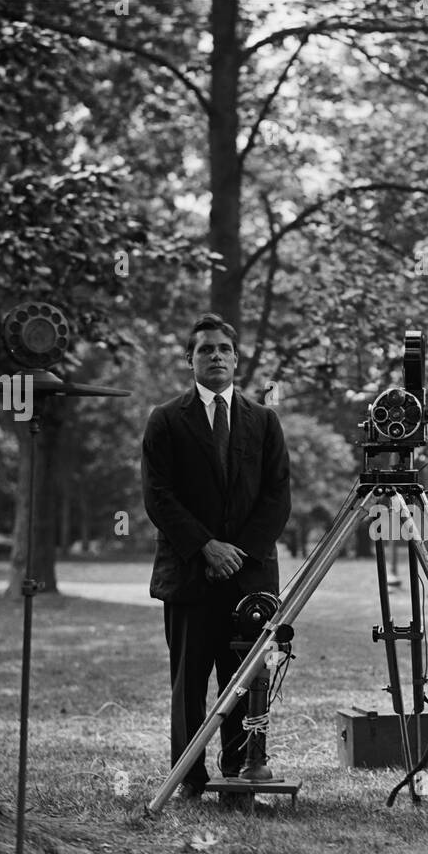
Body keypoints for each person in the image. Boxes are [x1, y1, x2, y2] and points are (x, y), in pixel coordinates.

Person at [141, 313, 291, 799]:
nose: (216, 357)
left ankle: (241, 773)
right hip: (189, 574)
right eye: (205, 350)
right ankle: (189, 777)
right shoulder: (165, 419)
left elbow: (277, 498)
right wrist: (207, 547)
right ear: (190, 359)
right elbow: (158, 496)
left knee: (246, 679)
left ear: (236, 358)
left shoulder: (264, 421)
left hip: (249, 580)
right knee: (189, 685)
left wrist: (237, 553)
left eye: (224, 349)